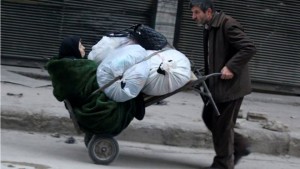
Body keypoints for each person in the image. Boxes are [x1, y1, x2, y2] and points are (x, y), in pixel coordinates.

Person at [189, 1, 256, 169]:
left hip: (231, 87)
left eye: (196, 12)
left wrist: (230, 67)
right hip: (217, 85)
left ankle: (223, 164)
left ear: (208, 11)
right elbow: (215, 54)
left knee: (223, 126)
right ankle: (240, 146)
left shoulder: (228, 25)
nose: (193, 17)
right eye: (192, 13)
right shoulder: (210, 27)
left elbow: (248, 48)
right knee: (209, 117)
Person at [45, 35, 145, 137]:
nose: (83, 47)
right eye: (80, 46)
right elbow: (100, 83)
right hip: (100, 115)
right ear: (73, 49)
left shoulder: (64, 70)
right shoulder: (80, 69)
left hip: (86, 113)